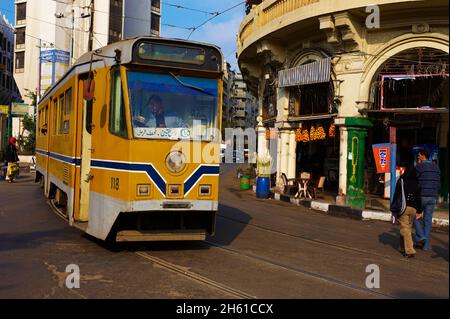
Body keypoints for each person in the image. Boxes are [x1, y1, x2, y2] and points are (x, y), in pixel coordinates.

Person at [413, 148, 441, 251]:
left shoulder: (419, 167)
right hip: (432, 197)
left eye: (419, 155)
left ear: (423, 156)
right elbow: (438, 184)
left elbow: (415, 182)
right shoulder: (436, 167)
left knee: (413, 216)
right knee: (428, 221)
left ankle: (420, 236)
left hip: (422, 196)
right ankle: (425, 246)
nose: (418, 157)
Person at [391, 165, 421, 258]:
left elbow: (396, 195)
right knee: (407, 227)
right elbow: (418, 197)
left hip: (404, 207)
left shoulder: (401, 180)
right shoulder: (417, 182)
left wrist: (393, 208)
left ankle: (410, 251)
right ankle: (402, 247)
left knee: (405, 229)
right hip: (414, 209)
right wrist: (420, 210)